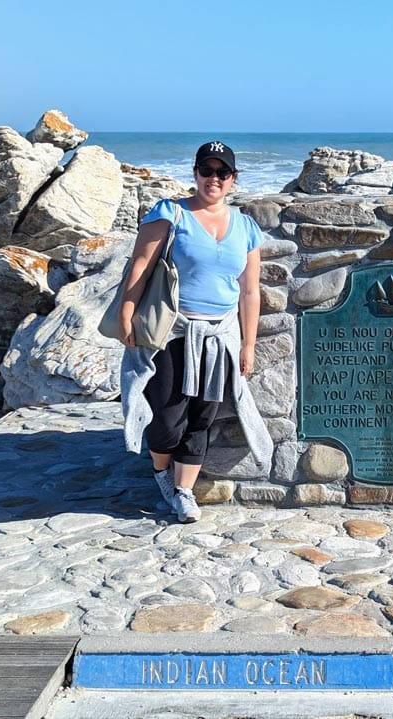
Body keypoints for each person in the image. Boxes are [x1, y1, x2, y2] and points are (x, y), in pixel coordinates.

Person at [117, 141, 273, 523]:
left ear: (233, 179)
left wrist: (248, 344)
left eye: (223, 173)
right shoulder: (170, 214)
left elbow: (250, 291)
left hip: (220, 337)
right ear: (196, 173)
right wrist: (126, 310)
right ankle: (160, 471)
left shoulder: (246, 227)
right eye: (207, 170)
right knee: (167, 419)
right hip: (172, 333)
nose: (214, 179)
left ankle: (183, 491)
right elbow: (140, 264)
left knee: (203, 416)